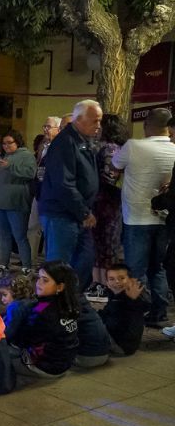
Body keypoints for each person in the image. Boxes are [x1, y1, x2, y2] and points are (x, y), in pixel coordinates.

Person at [112, 108, 175, 327]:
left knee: (135, 269)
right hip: (164, 219)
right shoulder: (174, 149)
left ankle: (134, 314)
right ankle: (159, 312)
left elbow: (115, 166)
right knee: (157, 268)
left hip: (137, 218)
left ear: (147, 125)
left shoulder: (134, 146)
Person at [38, 100, 102, 291]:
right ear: (79, 120)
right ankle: (53, 308)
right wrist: (83, 212)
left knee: (84, 260)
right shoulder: (65, 142)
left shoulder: (83, 141)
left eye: (100, 121)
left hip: (75, 214)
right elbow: (64, 183)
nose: (98, 126)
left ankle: (72, 300)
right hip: (61, 214)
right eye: (94, 121)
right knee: (58, 267)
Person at [7, 261, 80, 377]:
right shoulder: (70, 304)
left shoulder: (42, 310)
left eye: (45, 280)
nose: (38, 283)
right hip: (64, 363)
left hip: (46, 367)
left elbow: (21, 340)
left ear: (60, 287)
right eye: (39, 278)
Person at [87, 114, 127, 299]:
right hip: (104, 202)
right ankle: (99, 283)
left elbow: (110, 177)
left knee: (105, 244)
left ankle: (103, 284)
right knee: (103, 244)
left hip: (107, 202)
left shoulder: (109, 148)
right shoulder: (109, 148)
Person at [0, 130, 37, 279]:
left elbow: (30, 173)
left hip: (16, 203)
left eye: (10, 142)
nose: (6, 146)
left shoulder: (26, 155)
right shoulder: (0, 157)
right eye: (4, 143)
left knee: (20, 236)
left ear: (18, 142)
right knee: (4, 236)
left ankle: (27, 268)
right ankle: (3, 266)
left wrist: (10, 166)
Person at [28, 116, 61, 266]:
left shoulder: (60, 146)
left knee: (50, 233)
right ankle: (30, 263)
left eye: (48, 127)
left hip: (52, 195)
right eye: (45, 126)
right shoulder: (43, 145)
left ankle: (49, 266)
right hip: (39, 192)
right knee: (33, 228)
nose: (45, 130)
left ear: (58, 129)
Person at [97, 264, 150, 355]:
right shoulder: (115, 295)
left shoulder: (131, 297)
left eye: (122, 278)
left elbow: (113, 322)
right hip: (122, 343)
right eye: (111, 279)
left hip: (121, 346)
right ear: (107, 282)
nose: (117, 282)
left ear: (130, 280)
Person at [0, 274, 35, 342]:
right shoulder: (31, 301)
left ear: (16, 292)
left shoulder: (15, 308)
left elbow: (8, 334)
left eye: (5, 295)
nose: (2, 299)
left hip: (18, 344)